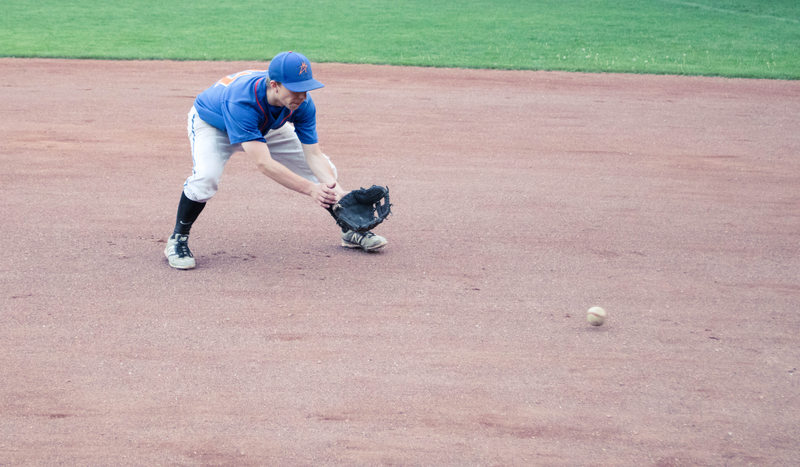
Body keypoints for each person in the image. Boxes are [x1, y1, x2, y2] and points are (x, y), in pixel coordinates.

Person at [164, 51, 387, 270]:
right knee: (206, 179)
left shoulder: (302, 104)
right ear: (274, 85)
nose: (302, 96)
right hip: (215, 125)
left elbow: (314, 155)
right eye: (295, 89)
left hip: (264, 126)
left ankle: (349, 229)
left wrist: (341, 196)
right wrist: (311, 189)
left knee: (325, 171)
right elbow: (264, 163)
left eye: (305, 88)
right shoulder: (242, 101)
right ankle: (177, 239)